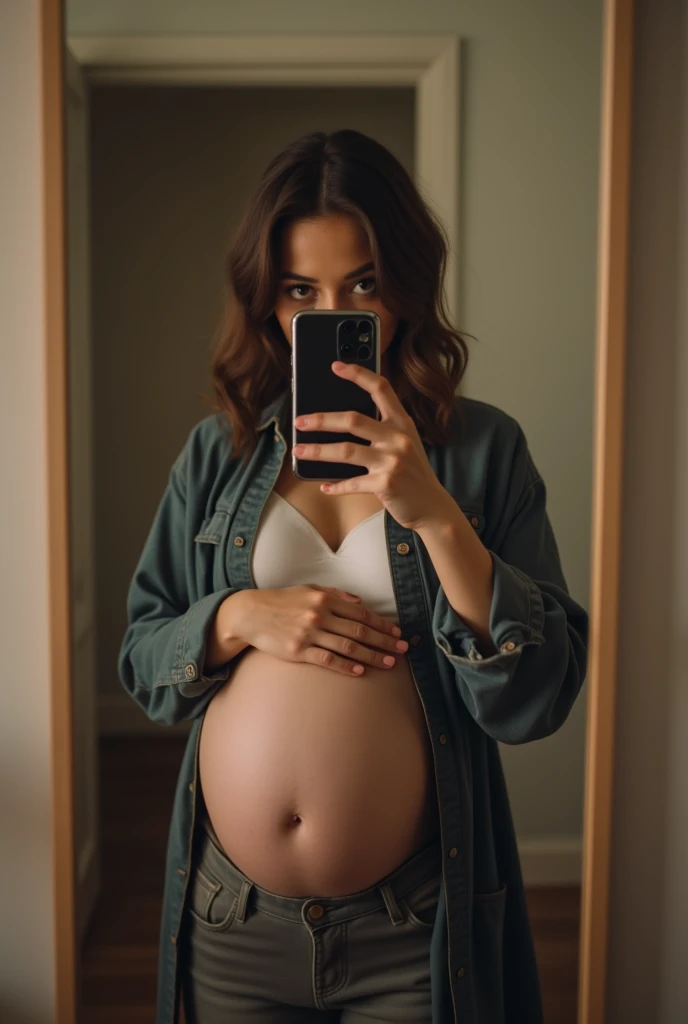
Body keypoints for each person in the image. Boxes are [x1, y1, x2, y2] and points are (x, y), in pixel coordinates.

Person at [118, 129, 589, 1024]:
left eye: (363, 284)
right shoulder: (217, 454)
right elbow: (145, 661)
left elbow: (537, 695)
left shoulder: (482, 452)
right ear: (266, 299)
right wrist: (240, 618)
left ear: (407, 285)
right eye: (302, 290)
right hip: (233, 916)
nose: (333, 312)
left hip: (413, 924)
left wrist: (434, 514)